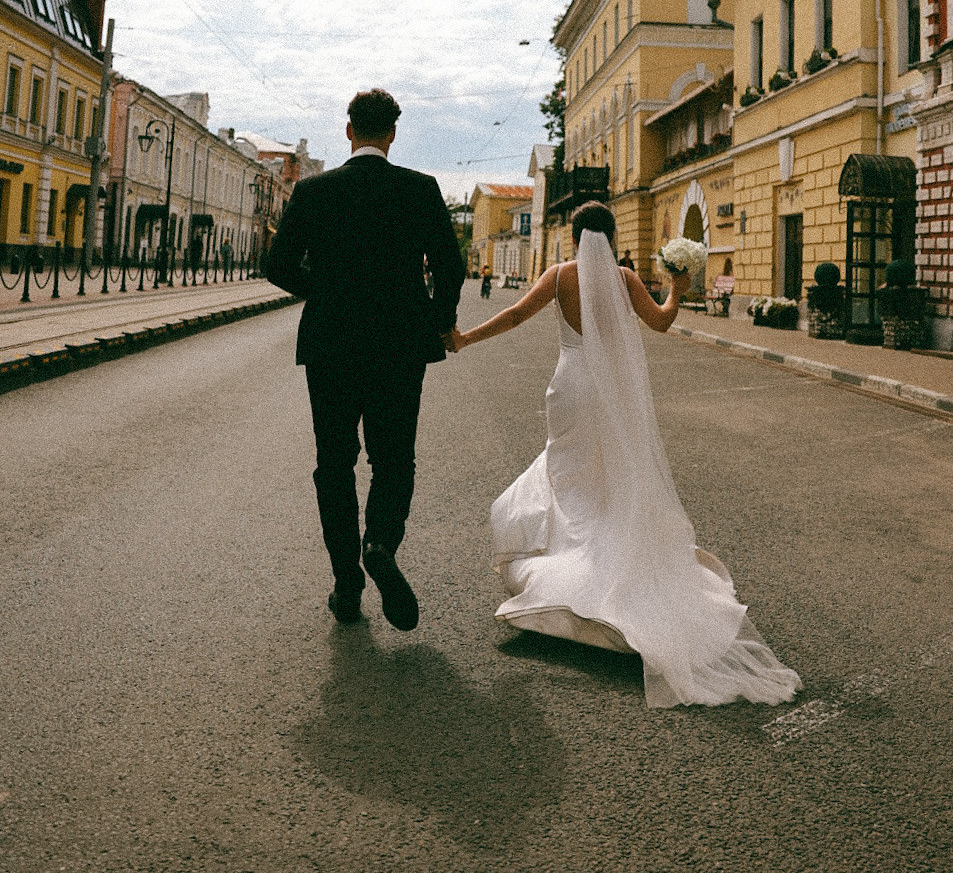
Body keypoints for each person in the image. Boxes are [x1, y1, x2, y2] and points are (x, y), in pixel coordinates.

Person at [450, 201, 801, 709]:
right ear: (613, 238)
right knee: (614, 474)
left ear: (573, 238)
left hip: (571, 385)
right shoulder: (625, 279)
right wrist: (679, 287)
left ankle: (566, 565)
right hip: (612, 389)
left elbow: (515, 314)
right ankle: (608, 562)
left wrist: (464, 339)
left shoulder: (559, 274)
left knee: (569, 475)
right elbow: (659, 324)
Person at [267, 89, 465, 631]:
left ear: (348, 130)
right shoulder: (420, 191)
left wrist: (323, 291)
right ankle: (379, 543)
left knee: (334, 465)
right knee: (394, 458)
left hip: (330, 344)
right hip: (401, 346)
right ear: (393, 134)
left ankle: (345, 583)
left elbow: (276, 264)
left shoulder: (313, 191)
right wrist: (437, 318)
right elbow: (452, 264)